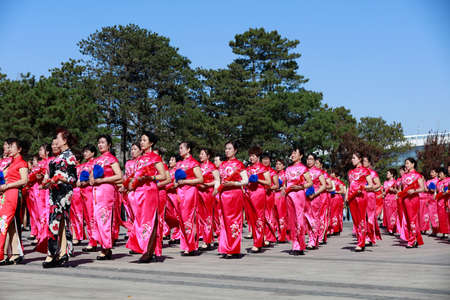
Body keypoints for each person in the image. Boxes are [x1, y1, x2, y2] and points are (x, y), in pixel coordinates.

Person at [126, 132, 166, 262]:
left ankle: (148, 252)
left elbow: (163, 176)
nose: (141, 142)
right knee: (138, 220)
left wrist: (150, 177)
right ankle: (145, 249)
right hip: (138, 192)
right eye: (141, 140)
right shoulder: (138, 159)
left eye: (144, 140)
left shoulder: (155, 157)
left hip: (149, 191)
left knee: (149, 221)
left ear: (151, 143)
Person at [41, 129, 77, 268]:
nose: (56, 140)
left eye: (58, 138)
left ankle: (52, 254)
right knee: (58, 223)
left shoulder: (70, 156)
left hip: (64, 193)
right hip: (54, 192)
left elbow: (74, 178)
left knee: (57, 222)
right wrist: (47, 182)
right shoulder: (58, 156)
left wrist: (62, 178)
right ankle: (61, 253)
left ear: (65, 140)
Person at [90, 135, 122, 260]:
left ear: (109, 145)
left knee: (104, 218)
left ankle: (106, 247)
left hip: (106, 191)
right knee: (97, 219)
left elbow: (119, 176)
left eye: (103, 142)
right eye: (99, 142)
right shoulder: (97, 160)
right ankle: (104, 245)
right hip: (96, 191)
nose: (100, 145)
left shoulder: (111, 159)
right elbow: (92, 177)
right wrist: (92, 180)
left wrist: (103, 179)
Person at [217, 141, 248, 259]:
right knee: (224, 221)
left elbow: (245, 180)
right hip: (224, 195)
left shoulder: (239, 164)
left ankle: (234, 249)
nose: (227, 151)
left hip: (235, 194)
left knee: (234, 221)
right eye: (226, 148)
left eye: (230, 148)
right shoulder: (222, 165)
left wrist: (234, 183)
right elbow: (219, 181)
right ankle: (225, 247)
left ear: (235, 151)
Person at [0, 138, 28, 265]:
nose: (9, 149)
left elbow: (24, 180)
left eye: (12, 146)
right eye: (9, 146)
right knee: (10, 225)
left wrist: (8, 185)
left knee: (10, 223)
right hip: (6, 194)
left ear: (19, 149)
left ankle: (11, 254)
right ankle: (11, 253)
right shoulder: (9, 163)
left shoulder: (22, 163)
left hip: (14, 193)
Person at [174, 142, 204, 256]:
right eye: (179, 148)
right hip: (180, 192)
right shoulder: (178, 164)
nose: (180, 150)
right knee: (181, 218)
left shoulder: (193, 163)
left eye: (182, 148)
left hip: (190, 192)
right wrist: (176, 184)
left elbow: (200, 179)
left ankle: (191, 246)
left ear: (188, 149)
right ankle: (185, 245)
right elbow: (175, 180)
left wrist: (186, 181)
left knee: (189, 218)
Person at [284, 146, 312, 255]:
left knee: (299, 219)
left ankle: (300, 245)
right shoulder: (288, 169)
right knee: (291, 220)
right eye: (292, 153)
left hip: (299, 194)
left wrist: (300, 187)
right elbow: (285, 184)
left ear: (300, 156)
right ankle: (295, 244)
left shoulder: (303, 168)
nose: (292, 155)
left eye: (295, 153)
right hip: (289, 195)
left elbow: (309, 183)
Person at [245, 146, 271, 253]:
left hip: (259, 194)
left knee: (259, 218)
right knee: (252, 219)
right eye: (250, 156)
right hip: (249, 193)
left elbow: (269, 183)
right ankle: (258, 240)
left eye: (253, 156)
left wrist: (258, 180)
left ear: (258, 156)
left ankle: (258, 242)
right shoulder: (248, 169)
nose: (251, 158)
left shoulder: (263, 168)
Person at [347, 152, 374, 252]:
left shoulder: (365, 171)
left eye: (354, 158)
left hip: (361, 197)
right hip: (352, 197)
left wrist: (362, 187)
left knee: (361, 219)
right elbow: (349, 186)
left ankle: (361, 242)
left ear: (359, 159)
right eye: (352, 158)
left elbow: (371, 185)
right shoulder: (351, 172)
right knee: (355, 221)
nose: (352, 160)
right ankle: (359, 240)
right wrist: (347, 196)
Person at [198, 148, 220, 251]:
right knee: (201, 217)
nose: (200, 155)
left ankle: (207, 241)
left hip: (208, 193)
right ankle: (207, 238)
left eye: (202, 154)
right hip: (199, 192)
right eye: (200, 154)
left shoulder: (212, 166)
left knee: (208, 216)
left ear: (208, 156)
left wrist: (207, 184)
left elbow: (217, 180)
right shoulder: (198, 166)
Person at [400, 157, 425, 248]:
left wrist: (414, 190)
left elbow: (422, 188)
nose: (406, 165)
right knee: (407, 220)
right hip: (405, 199)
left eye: (407, 163)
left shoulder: (418, 175)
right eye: (405, 163)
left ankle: (412, 240)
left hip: (413, 199)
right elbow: (402, 189)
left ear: (413, 164)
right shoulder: (404, 176)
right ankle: (415, 238)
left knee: (412, 219)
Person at [78, 144, 98, 252]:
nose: (85, 153)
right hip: (83, 193)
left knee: (91, 217)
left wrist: (85, 182)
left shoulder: (96, 163)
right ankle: (92, 239)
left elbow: (95, 177)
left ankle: (93, 241)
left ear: (93, 153)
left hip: (91, 192)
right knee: (87, 217)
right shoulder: (84, 165)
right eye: (84, 151)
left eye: (87, 151)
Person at [305, 154, 327, 250]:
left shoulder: (318, 172)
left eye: (311, 159)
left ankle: (313, 240)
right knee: (307, 219)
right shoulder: (304, 171)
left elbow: (323, 185)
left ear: (314, 161)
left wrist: (315, 193)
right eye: (308, 159)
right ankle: (312, 239)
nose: (309, 161)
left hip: (315, 197)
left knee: (314, 218)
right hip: (305, 198)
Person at [362, 156, 382, 246]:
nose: (363, 163)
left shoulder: (372, 173)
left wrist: (369, 188)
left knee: (370, 216)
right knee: (363, 217)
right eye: (362, 161)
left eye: (365, 161)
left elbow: (378, 184)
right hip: (361, 196)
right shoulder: (360, 172)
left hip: (370, 196)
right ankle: (364, 235)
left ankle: (370, 237)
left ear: (369, 163)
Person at [261, 152, 278, 247]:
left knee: (268, 216)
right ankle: (262, 236)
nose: (265, 161)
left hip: (269, 196)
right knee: (260, 216)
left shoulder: (272, 172)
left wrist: (269, 188)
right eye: (264, 159)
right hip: (258, 196)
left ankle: (269, 236)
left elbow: (276, 185)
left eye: (267, 159)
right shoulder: (258, 171)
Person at [274, 159, 287, 243]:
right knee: (275, 216)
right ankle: (278, 234)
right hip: (274, 195)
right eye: (276, 164)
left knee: (281, 216)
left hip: (281, 196)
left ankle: (282, 236)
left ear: (283, 166)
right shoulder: (274, 174)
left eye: (280, 164)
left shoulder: (285, 175)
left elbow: (286, 186)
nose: (278, 166)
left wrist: (282, 187)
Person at [383, 169, 398, 235]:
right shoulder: (385, 182)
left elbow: (398, 191)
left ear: (392, 174)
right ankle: (389, 228)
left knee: (393, 214)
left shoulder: (395, 182)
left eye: (388, 173)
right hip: (386, 200)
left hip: (392, 200)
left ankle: (392, 228)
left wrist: (393, 190)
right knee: (387, 215)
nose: (387, 174)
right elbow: (384, 191)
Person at [436, 167, 449, 238]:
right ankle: (444, 232)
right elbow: (437, 191)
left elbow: (446, 191)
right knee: (441, 218)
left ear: (445, 174)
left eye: (441, 173)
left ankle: (447, 232)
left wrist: (441, 194)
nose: (439, 175)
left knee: (446, 217)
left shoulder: (448, 180)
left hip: (445, 201)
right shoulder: (438, 182)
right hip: (439, 202)